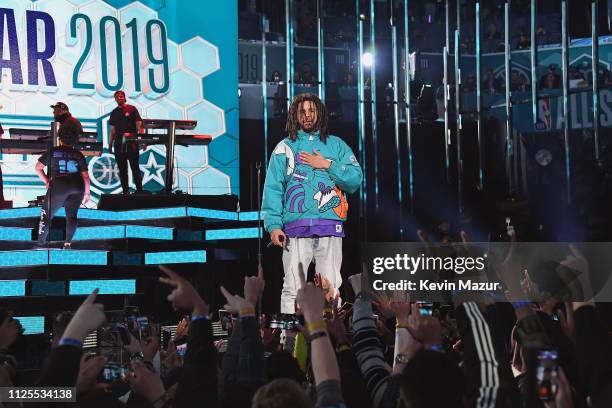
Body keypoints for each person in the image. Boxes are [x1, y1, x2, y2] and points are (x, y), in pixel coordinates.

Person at [262, 93, 363, 315]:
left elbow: (355, 179)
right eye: (302, 112)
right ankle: (289, 342)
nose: (307, 116)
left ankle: (331, 337)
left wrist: (326, 164)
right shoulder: (284, 148)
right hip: (295, 228)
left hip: (329, 225)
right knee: (292, 288)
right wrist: (273, 226)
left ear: (319, 113)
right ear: (294, 116)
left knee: (330, 286)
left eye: (311, 111)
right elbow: (273, 188)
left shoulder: (336, 146)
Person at [35, 126, 91, 249]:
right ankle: (67, 244)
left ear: (60, 138)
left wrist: (46, 181)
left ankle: (40, 244)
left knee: (46, 215)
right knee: (72, 215)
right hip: (77, 185)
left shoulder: (53, 151)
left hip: (59, 184)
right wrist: (87, 193)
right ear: (75, 140)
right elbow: (85, 176)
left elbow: (38, 167)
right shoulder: (78, 154)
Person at [108, 90, 143, 195]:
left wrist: (142, 140)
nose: (119, 98)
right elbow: (113, 130)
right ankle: (125, 192)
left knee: (135, 167)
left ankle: (139, 191)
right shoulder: (114, 112)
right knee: (122, 170)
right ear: (115, 99)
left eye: (121, 96)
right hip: (119, 144)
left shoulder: (132, 109)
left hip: (132, 142)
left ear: (124, 97)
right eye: (117, 97)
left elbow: (139, 125)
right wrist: (110, 145)